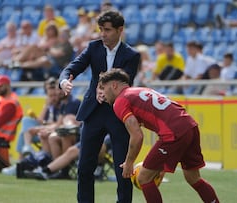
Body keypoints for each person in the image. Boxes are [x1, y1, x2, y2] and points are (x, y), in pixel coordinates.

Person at [98, 69, 220, 203]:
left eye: (103, 88)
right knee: (193, 178)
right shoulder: (139, 90)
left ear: (114, 85)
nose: (102, 94)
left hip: (174, 132)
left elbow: (137, 135)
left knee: (144, 177)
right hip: (190, 126)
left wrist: (129, 162)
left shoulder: (120, 101)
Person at [59, 10, 140, 203]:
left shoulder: (131, 55)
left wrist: (104, 90)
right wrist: (64, 81)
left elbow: (124, 82)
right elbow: (73, 67)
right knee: (85, 166)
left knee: (123, 167)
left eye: (107, 30)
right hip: (93, 112)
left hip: (119, 113)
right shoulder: (93, 47)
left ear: (120, 30)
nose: (102, 34)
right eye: (101, 29)